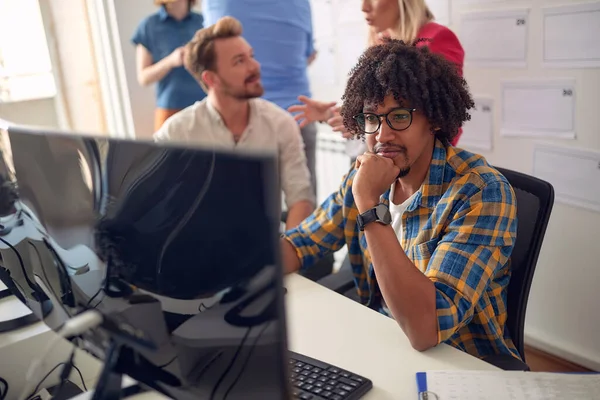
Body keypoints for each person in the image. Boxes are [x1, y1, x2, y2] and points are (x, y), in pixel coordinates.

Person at [281, 39, 521, 361]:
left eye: (399, 117)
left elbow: (427, 327)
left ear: (434, 119)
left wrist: (369, 206)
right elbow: (302, 243)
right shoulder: (365, 178)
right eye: (371, 118)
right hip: (383, 345)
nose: (381, 136)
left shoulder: (480, 192)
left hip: (462, 367)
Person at [154, 16, 315, 230]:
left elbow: (301, 200)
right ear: (212, 79)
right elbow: (156, 205)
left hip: (266, 252)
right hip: (199, 252)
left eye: (251, 56)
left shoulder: (280, 124)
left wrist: (286, 258)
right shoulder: (175, 133)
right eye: (240, 61)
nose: (255, 66)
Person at [288, 0, 465, 159]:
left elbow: (445, 118)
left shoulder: (437, 38)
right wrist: (337, 115)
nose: (364, 7)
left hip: (414, 171)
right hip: (376, 159)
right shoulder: (380, 43)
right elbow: (384, 110)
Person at [202, 0, 319, 195]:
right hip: (297, 113)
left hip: (237, 122)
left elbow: (210, 56)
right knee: (305, 209)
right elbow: (308, 55)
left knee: (240, 208)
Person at [132, 0, 207, 131]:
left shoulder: (204, 21)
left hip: (206, 106)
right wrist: (170, 61)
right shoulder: (148, 26)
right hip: (170, 110)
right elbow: (143, 78)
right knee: (167, 152)